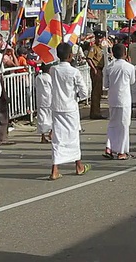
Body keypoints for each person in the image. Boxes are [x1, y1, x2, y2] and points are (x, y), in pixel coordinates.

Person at [49, 43, 90, 180]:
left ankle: (55, 169)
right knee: (72, 137)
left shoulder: (53, 70)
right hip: (70, 107)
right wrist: (77, 96)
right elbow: (84, 91)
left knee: (58, 138)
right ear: (70, 55)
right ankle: (78, 165)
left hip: (57, 107)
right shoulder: (74, 71)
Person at [102, 43, 136, 160]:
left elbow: (106, 85)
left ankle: (109, 147)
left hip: (113, 98)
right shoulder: (130, 67)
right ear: (125, 54)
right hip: (124, 99)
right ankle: (121, 151)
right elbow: (132, 81)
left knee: (112, 124)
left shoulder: (109, 67)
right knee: (124, 125)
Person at [86, 30, 106, 119]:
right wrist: (94, 69)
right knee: (95, 92)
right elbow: (89, 58)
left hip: (100, 70)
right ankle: (95, 113)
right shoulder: (93, 47)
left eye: (101, 38)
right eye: (98, 38)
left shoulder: (100, 48)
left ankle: (97, 111)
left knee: (98, 92)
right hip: (96, 70)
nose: (99, 40)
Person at [35, 63, 53, 144]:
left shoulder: (38, 77)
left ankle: (43, 136)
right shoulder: (49, 78)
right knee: (51, 116)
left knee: (42, 118)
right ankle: (51, 132)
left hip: (40, 99)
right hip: (49, 99)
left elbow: (35, 86)